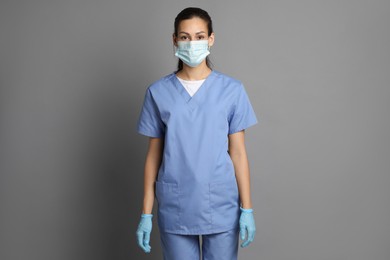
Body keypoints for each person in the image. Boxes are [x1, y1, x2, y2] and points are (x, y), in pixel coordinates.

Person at [135, 7, 258, 260]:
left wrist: (247, 208)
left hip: (220, 204)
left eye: (200, 36)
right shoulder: (158, 93)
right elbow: (153, 158)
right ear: (175, 40)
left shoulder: (232, 91)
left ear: (211, 39)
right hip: (176, 205)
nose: (193, 43)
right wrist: (145, 213)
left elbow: (238, 153)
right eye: (185, 37)